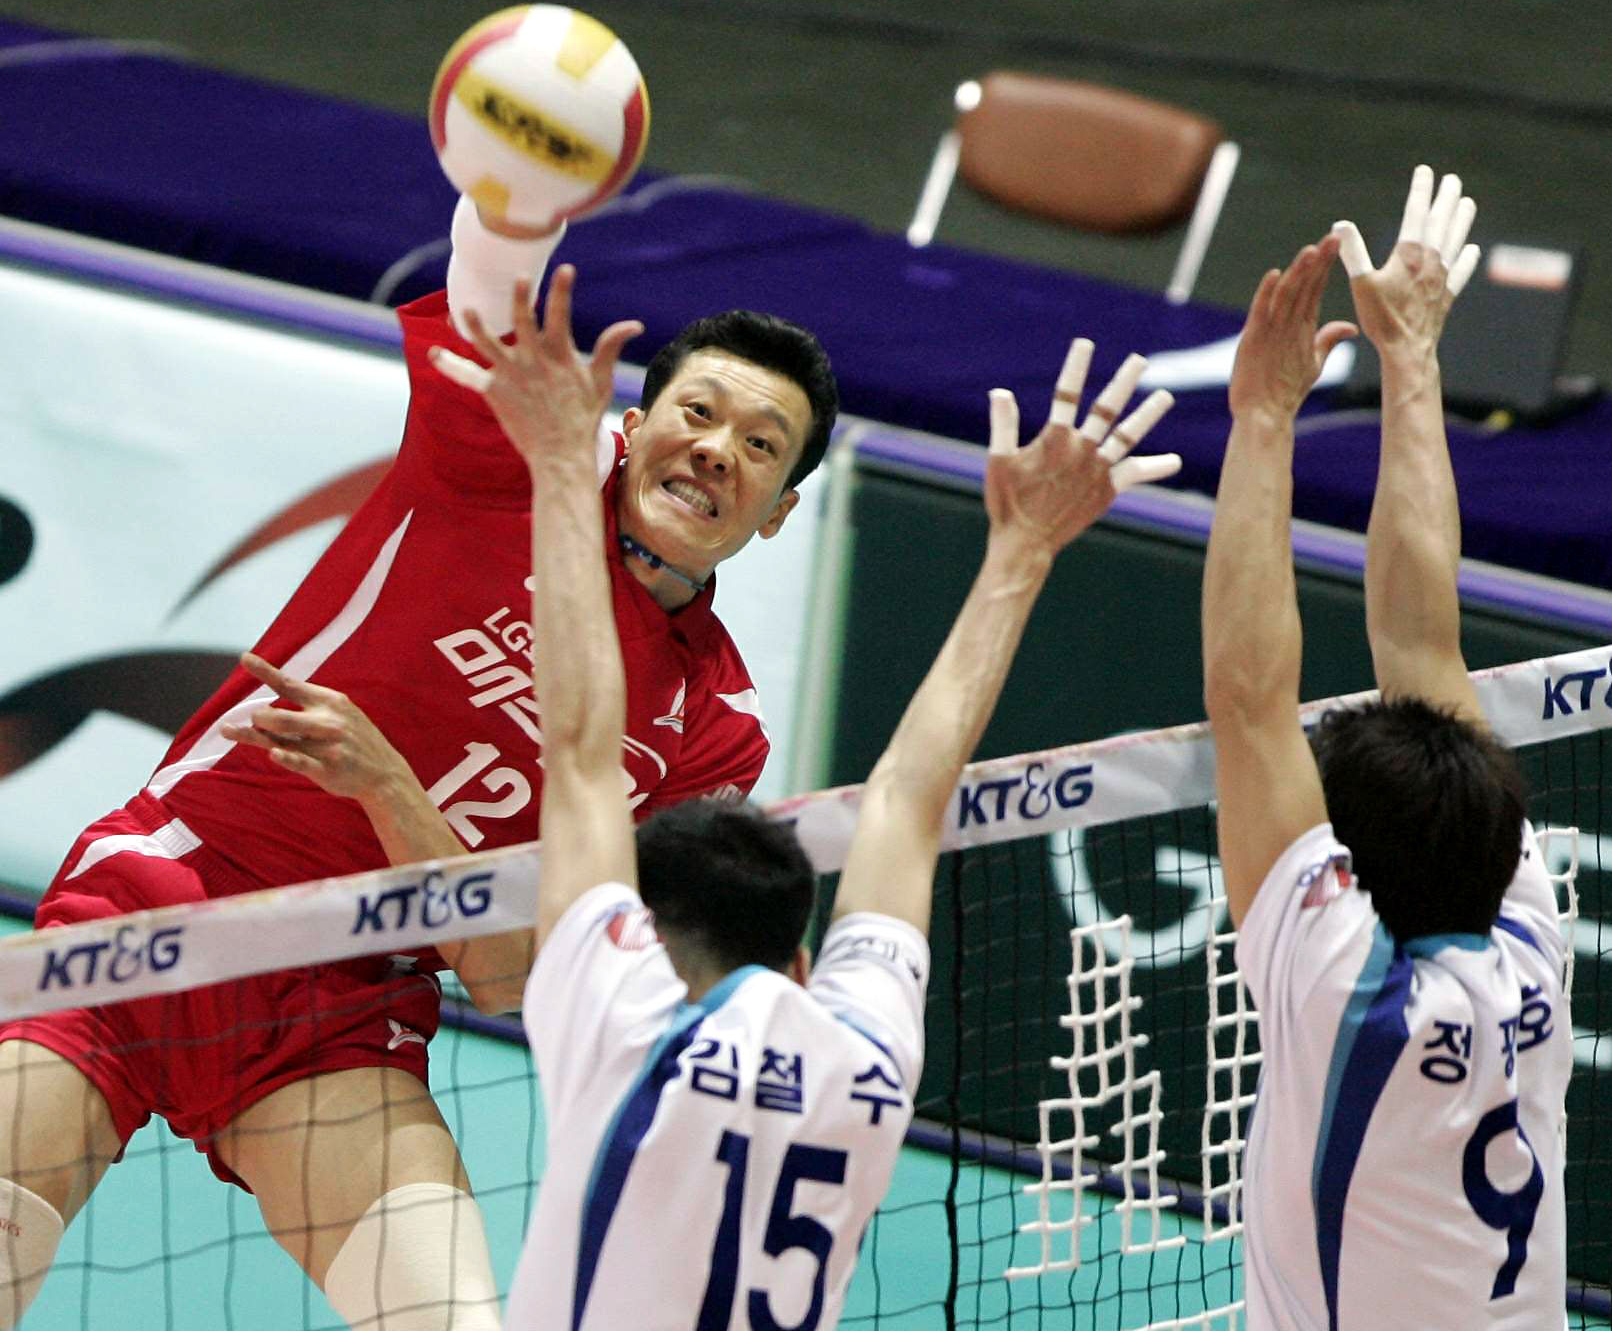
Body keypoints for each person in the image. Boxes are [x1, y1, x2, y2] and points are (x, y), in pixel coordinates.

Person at [0, 194, 838, 1330]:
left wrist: (390, 790)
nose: (716, 451)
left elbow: (509, 979)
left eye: (760, 446)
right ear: (636, 424)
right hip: (161, 907)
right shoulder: (500, 461)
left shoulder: (713, 729)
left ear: (779, 512)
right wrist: (516, 189)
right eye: (699, 412)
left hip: (342, 1012)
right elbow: (488, 277)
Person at [427, 255, 1182, 1327]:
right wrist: (1022, 549)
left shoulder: (624, 1028)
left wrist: (560, 466)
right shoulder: (863, 1067)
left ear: (650, 937)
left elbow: (585, 750)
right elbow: (906, 801)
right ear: (800, 961)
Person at [1202, 166, 1573, 1329]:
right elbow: (1419, 640)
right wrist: (1408, 357)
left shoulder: (1342, 990)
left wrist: (1264, 418)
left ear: (1347, 872)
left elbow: (1251, 696)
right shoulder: (1526, 944)